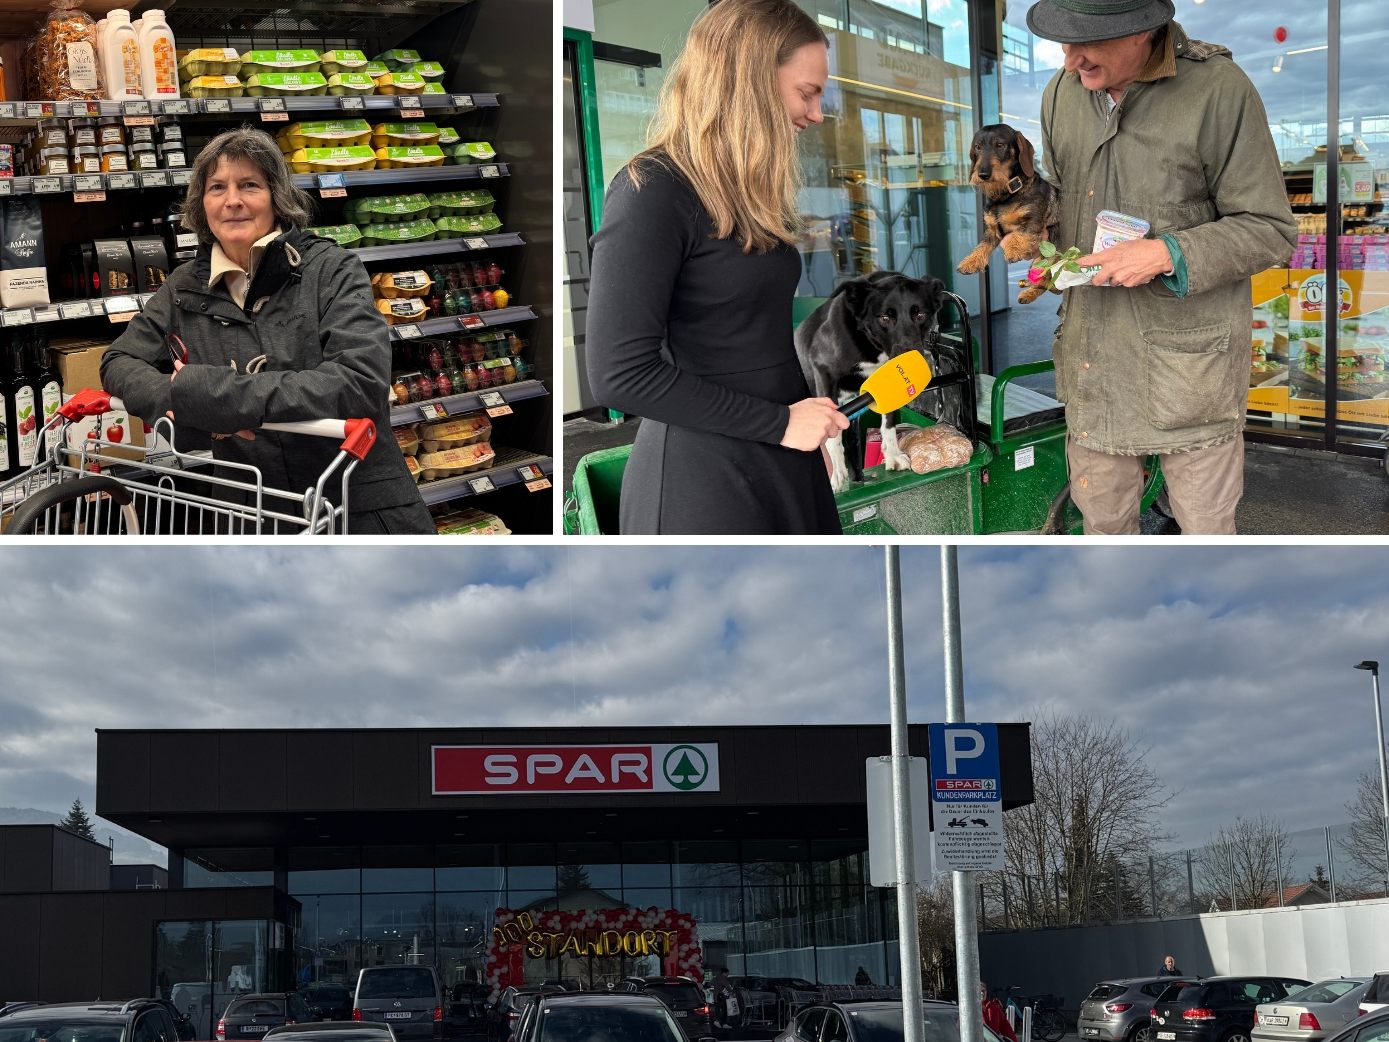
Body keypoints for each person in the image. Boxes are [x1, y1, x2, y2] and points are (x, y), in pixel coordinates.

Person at [1029, 0, 1296, 534]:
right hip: (1094, 367)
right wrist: (1031, 228)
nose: (1070, 60)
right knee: (1103, 536)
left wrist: (1165, 253)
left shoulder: (1219, 90)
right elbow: (1056, 199)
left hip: (1189, 378)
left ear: (1144, 31)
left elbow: (1271, 228)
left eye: (1088, 40)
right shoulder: (1061, 93)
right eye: (1064, 40)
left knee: (1206, 539)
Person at [585, 0, 849, 535]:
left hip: (779, 456)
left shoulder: (745, 192)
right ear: (749, 81)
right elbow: (619, 375)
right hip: (704, 482)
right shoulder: (653, 190)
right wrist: (779, 424)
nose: (817, 114)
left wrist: (796, 429)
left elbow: (754, 337)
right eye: (808, 92)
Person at [101, 127, 433, 534]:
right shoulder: (183, 285)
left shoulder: (331, 269)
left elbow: (359, 382)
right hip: (252, 511)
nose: (232, 200)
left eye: (249, 185)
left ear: (277, 197)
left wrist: (221, 397)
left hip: (351, 503)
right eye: (217, 187)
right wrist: (176, 399)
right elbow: (119, 360)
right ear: (201, 204)